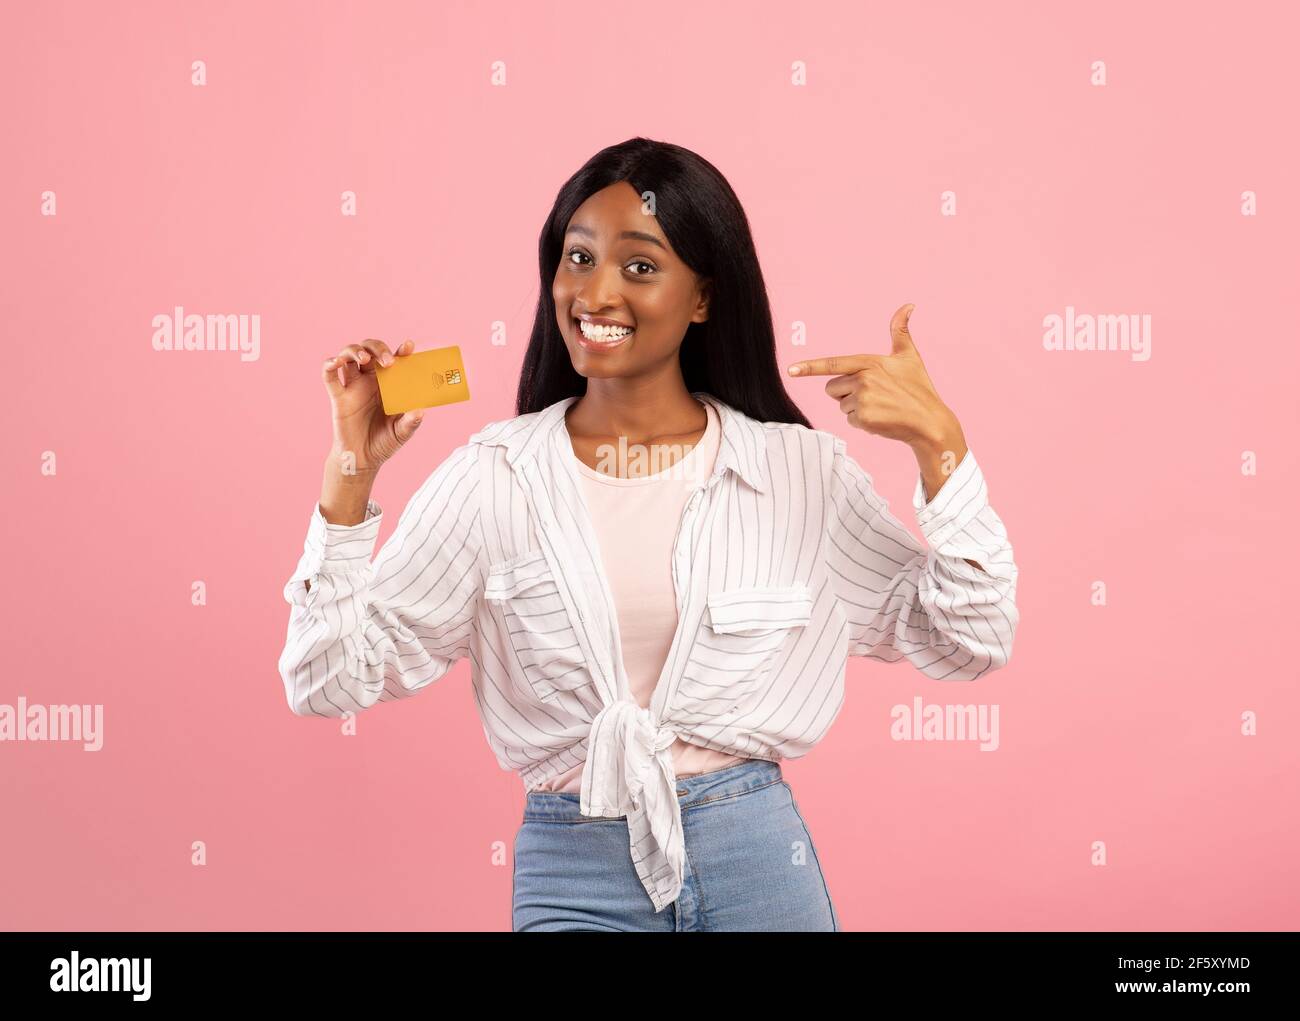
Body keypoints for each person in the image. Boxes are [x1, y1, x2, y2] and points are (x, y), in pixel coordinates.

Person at [278, 137, 1020, 932]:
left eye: (639, 265)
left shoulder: (797, 473)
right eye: (578, 257)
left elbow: (970, 639)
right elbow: (325, 681)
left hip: (757, 861)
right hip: (575, 869)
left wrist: (939, 444)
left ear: (703, 297)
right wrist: (351, 470)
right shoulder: (493, 479)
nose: (596, 292)